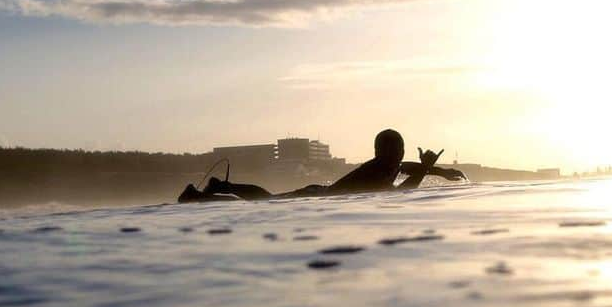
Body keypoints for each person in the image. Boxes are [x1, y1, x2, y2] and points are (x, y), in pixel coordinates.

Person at [178, 129, 465, 202]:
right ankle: (199, 194)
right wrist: (428, 169)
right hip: (317, 195)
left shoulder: (387, 164)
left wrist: (441, 171)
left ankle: (221, 186)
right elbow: (401, 190)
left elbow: (407, 168)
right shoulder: (380, 169)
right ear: (384, 151)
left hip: (318, 192)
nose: (401, 154)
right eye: (398, 149)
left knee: (267, 198)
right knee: (266, 199)